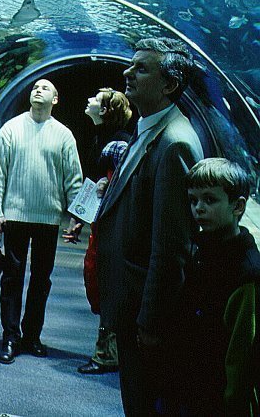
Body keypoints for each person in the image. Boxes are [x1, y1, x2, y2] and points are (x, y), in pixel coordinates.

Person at [94, 37, 204, 416]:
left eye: (141, 68)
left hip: (144, 311)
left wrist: (151, 321)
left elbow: (172, 247)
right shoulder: (149, 129)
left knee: (146, 404)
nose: (127, 72)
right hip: (130, 303)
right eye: (131, 64)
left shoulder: (175, 143)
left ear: (169, 84)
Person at [0, 78, 83, 364]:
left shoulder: (64, 135)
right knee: (12, 278)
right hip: (15, 215)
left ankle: (31, 336)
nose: (38, 90)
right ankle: (10, 337)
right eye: (35, 87)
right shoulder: (10, 129)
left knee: (41, 280)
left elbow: (73, 180)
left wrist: (76, 216)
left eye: (45, 88)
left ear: (56, 99)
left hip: (48, 218)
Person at [178, 158, 260, 416]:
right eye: (193, 200)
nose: (199, 208)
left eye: (209, 200)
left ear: (238, 206)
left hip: (220, 400)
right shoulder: (202, 252)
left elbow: (241, 355)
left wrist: (232, 403)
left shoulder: (246, 272)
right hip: (194, 388)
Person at [76, 88, 133, 376]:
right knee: (97, 277)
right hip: (102, 225)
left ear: (107, 110)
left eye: (95, 99)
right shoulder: (101, 138)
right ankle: (108, 351)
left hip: (112, 228)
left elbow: (121, 185)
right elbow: (95, 182)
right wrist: (79, 218)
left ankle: (107, 354)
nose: (89, 100)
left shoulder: (118, 144)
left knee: (105, 281)